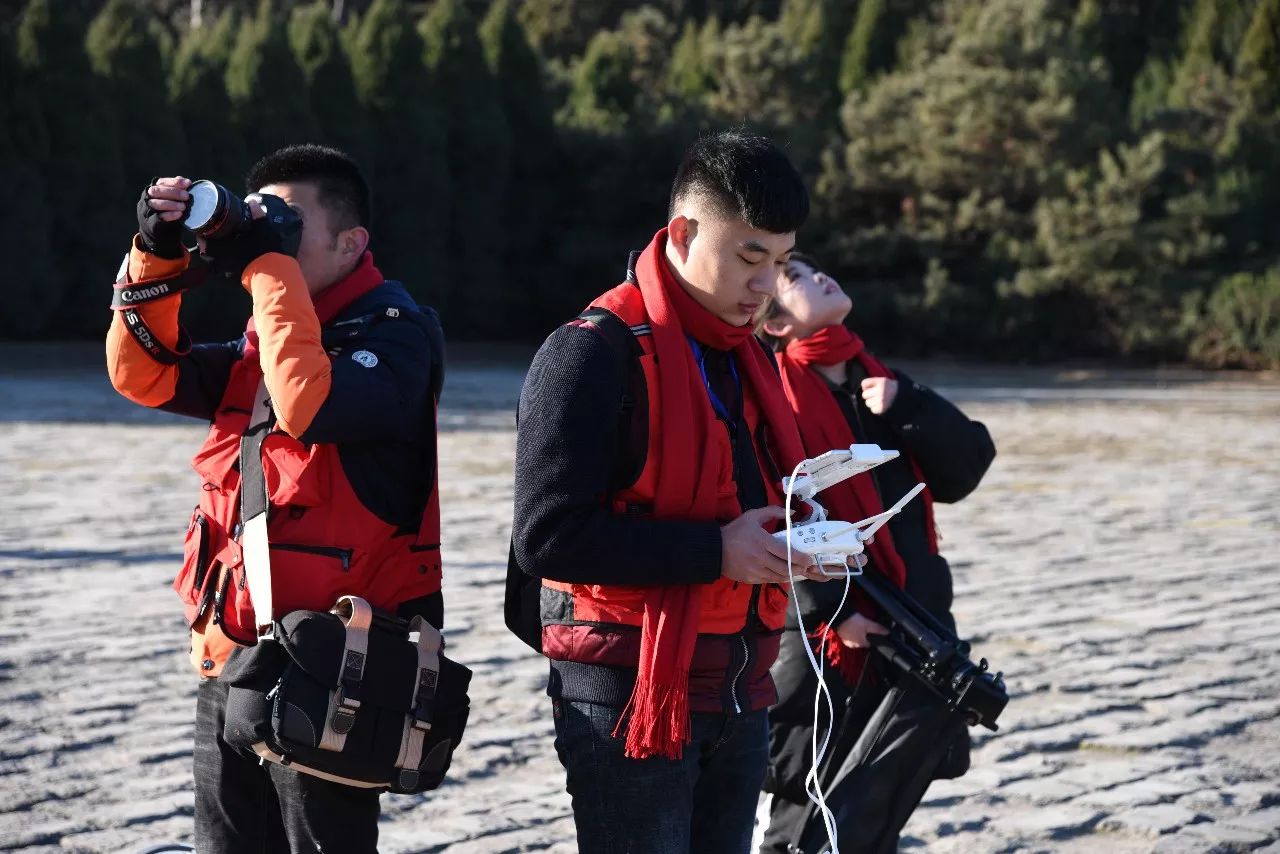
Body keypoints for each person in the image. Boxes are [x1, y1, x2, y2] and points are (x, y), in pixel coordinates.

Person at [506, 131, 849, 854]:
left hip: (742, 691)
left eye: (782, 263)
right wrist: (717, 551)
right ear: (685, 232)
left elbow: (748, 503)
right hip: (628, 696)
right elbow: (546, 537)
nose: (765, 286)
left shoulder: (742, 357)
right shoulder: (590, 352)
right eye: (749, 257)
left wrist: (793, 542)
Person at [106, 144, 445, 854]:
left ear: (353, 243)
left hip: (336, 671)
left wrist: (267, 264)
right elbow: (144, 377)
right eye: (262, 216)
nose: (269, 232)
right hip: (233, 657)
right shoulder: (268, 338)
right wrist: (157, 257)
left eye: (288, 221)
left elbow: (309, 404)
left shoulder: (398, 335)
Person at [755, 253, 996, 853]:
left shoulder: (879, 383)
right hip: (829, 638)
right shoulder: (777, 395)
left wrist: (908, 403)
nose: (819, 277)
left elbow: (965, 467)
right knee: (805, 808)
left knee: (874, 808)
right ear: (778, 324)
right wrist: (830, 611)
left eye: (815, 271)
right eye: (798, 279)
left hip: (910, 629)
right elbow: (775, 508)